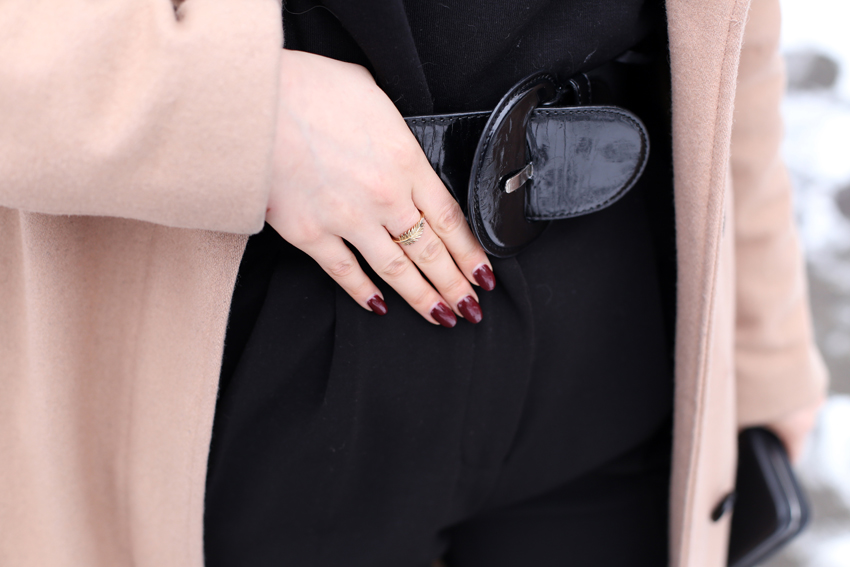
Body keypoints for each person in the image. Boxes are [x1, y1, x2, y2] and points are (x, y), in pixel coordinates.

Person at [0, 1, 827, 566]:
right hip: (247, 334)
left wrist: (763, 337)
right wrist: (235, 108)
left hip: (610, 331)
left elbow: (733, 34)